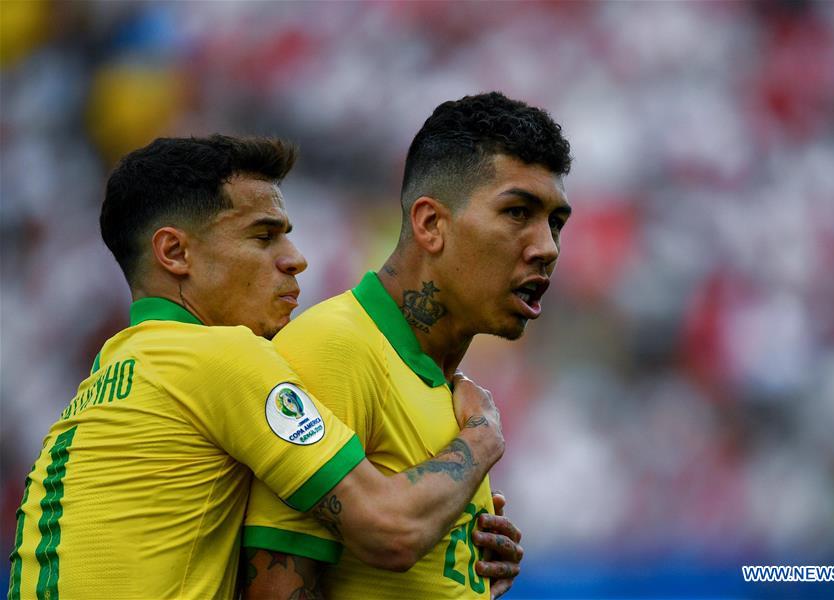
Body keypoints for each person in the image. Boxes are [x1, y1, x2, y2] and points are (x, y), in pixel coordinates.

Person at [7, 135, 512, 599]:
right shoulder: (222, 359)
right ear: (175, 252)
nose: (295, 259)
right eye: (264, 236)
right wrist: (482, 435)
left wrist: (458, 531)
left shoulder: (111, 377)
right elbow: (391, 529)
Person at [242, 91, 573, 599]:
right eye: (517, 212)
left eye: (555, 222)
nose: (547, 248)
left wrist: (462, 561)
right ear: (430, 224)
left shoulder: (451, 389)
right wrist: (482, 441)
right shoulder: (336, 347)